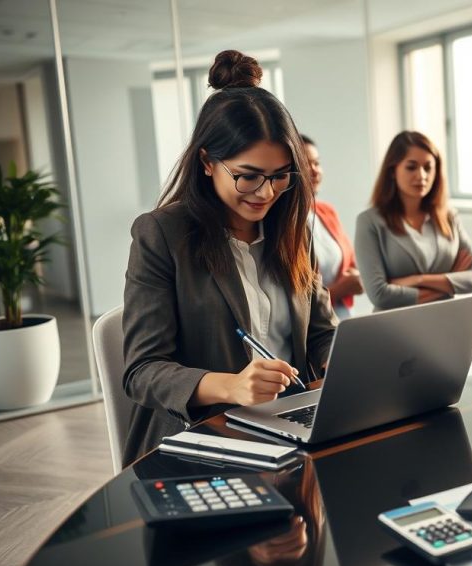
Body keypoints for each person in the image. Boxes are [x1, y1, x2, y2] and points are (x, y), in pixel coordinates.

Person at [122, 50, 338, 465]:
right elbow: (142, 371)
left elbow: (322, 333)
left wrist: (347, 361)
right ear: (206, 162)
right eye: (248, 175)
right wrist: (232, 386)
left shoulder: (291, 230)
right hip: (202, 434)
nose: (266, 193)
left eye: (279, 176)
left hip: (288, 425)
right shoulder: (162, 235)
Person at [354, 131, 472, 310]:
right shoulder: (370, 222)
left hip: (447, 321)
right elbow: (380, 295)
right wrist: (448, 282)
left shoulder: (449, 217)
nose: (421, 176)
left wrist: (418, 280)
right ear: (392, 170)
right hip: (395, 328)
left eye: (428, 167)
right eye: (411, 167)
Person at [301, 134, 363, 320]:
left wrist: (356, 276)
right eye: (306, 164)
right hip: (312, 327)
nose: (314, 170)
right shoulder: (283, 224)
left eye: (317, 163)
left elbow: (350, 262)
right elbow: (296, 301)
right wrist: (340, 289)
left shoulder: (327, 211)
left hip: (343, 317)